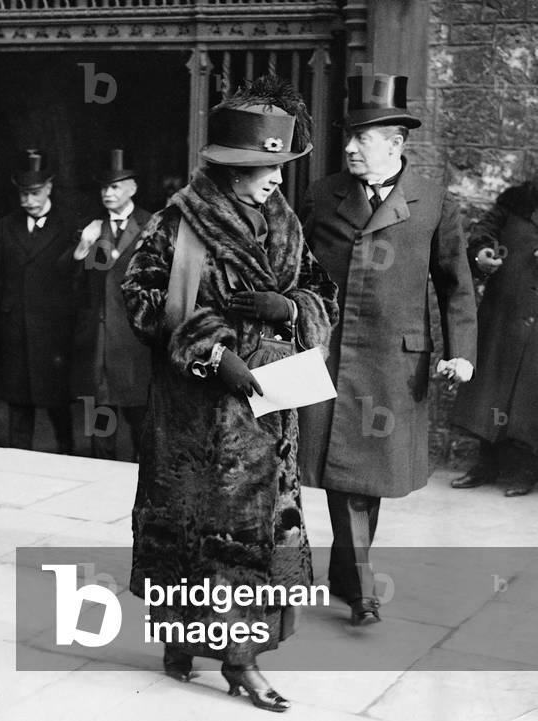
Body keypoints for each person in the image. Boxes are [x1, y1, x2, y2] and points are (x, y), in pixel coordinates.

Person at [122, 76, 337, 713]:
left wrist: (290, 306)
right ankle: (192, 646)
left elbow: (322, 296)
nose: (276, 178)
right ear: (231, 168)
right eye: (264, 167)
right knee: (191, 534)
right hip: (194, 420)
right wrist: (214, 353)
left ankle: (242, 660)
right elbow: (141, 301)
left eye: (280, 166)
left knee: (259, 541)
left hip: (269, 418)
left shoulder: (285, 223)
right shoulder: (176, 222)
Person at [298, 73, 477, 626]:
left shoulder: (432, 202)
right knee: (340, 472)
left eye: (363, 138)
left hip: (393, 362)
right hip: (327, 355)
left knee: (363, 476)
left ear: (397, 143)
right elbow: (295, 270)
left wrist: (462, 351)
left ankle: (349, 576)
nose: (350, 147)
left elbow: (456, 284)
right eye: (348, 136)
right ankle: (359, 585)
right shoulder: (322, 194)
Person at [0, 149, 78, 454]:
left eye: (33, 193)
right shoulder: (6, 226)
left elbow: (78, 277)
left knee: (57, 400)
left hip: (54, 329)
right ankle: (19, 459)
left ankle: (67, 452)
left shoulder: (69, 224)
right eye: (23, 194)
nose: (27, 201)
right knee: (18, 400)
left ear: (48, 188)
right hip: (15, 326)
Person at [448, 180, 538, 497]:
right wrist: (482, 251)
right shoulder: (519, 199)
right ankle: (485, 464)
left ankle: (524, 469)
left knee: (529, 398)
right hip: (505, 311)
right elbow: (486, 230)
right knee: (491, 391)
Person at [71, 149, 152, 460]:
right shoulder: (92, 227)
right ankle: (99, 471)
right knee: (101, 413)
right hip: (102, 339)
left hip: (134, 338)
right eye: (104, 188)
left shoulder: (150, 224)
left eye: (115, 187)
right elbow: (76, 281)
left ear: (131, 188)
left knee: (138, 416)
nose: (107, 193)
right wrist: (83, 246)